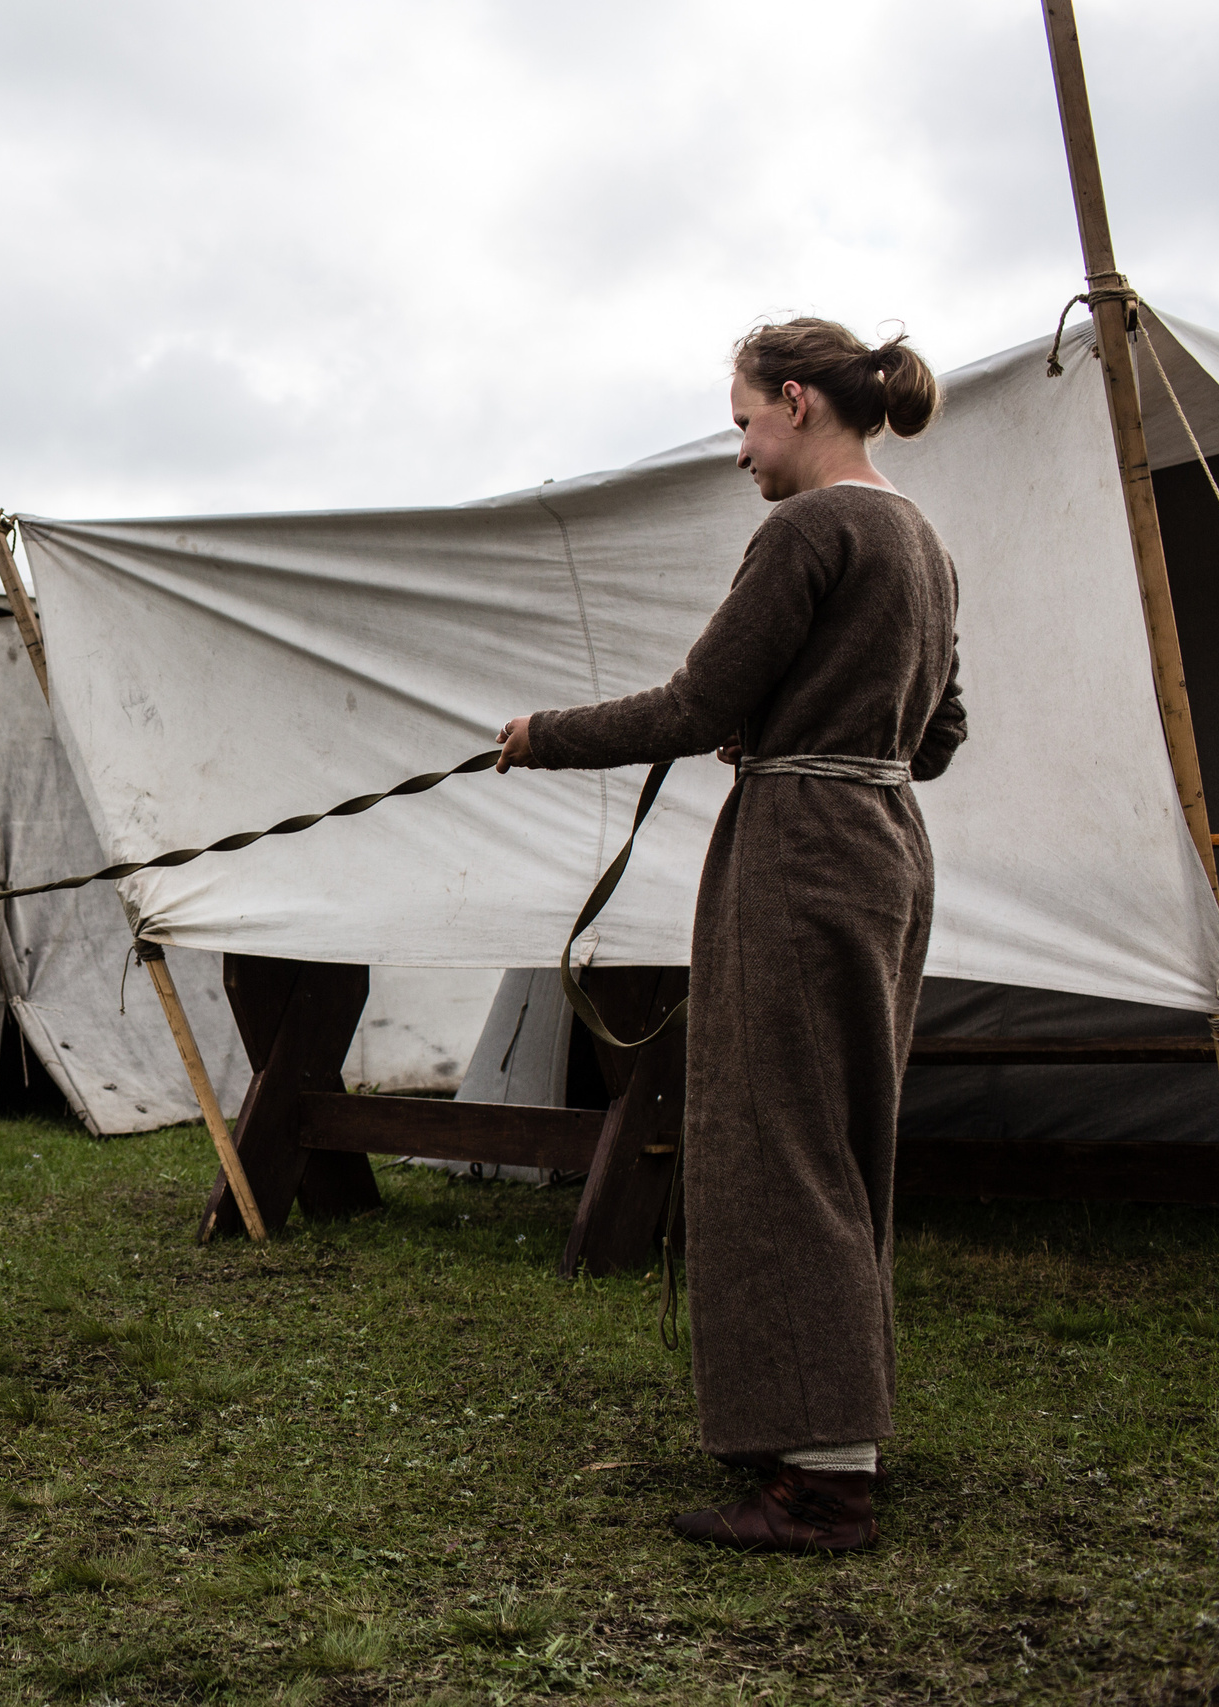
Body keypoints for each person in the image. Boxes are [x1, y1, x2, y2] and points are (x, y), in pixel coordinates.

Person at [496, 319, 966, 1552]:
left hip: (803, 851)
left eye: (746, 420)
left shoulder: (810, 529)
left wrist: (542, 734)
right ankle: (833, 1439)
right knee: (841, 1138)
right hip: (884, 844)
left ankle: (818, 1484)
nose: (741, 450)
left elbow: (697, 702)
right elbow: (940, 734)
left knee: (776, 1143)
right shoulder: (919, 537)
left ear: (798, 403)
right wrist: (821, 724)